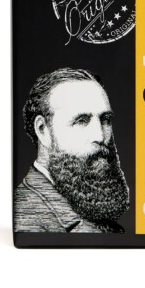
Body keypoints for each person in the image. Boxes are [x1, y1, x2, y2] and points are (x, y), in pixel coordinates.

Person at [14, 68, 130, 233]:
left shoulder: (92, 208)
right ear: (42, 130)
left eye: (105, 119)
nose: (100, 136)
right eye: (82, 121)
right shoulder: (27, 220)